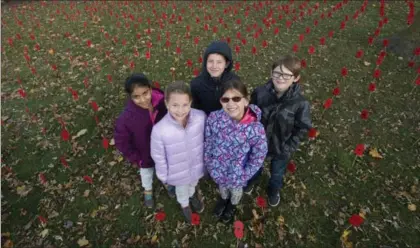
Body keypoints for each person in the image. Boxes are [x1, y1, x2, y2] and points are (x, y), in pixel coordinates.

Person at [249, 55, 312, 207]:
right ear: (271, 73)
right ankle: (250, 181)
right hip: (260, 143)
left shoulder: (300, 104)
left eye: (286, 75)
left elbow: (302, 128)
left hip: (281, 146)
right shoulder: (260, 93)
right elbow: (251, 114)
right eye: (277, 73)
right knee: (254, 165)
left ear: (295, 78)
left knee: (277, 172)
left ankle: (273, 190)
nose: (280, 78)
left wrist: (288, 147)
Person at [204, 78, 268, 224]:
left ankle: (232, 205)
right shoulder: (214, 118)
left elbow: (259, 154)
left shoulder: (255, 129)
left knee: (236, 192)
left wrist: (246, 173)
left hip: (238, 174)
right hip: (218, 169)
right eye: (225, 99)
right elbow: (208, 142)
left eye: (236, 98)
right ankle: (223, 199)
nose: (231, 103)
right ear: (221, 101)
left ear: (246, 100)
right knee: (223, 188)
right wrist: (209, 163)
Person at [114, 73, 173, 209]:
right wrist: (137, 159)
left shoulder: (162, 101)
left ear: (150, 88)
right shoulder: (127, 119)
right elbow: (121, 141)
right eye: (136, 97)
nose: (143, 99)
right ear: (130, 97)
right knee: (146, 173)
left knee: (163, 168)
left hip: (164, 149)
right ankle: (147, 189)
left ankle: (166, 182)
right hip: (144, 154)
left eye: (145, 93)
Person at [151, 81, 206, 223]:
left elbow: (207, 140)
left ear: (191, 102)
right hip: (177, 172)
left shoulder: (200, 118)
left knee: (193, 183)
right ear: (166, 103)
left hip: (196, 165)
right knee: (182, 191)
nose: (180, 110)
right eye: (175, 105)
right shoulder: (159, 130)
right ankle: (184, 204)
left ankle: (193, 194)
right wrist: (163, 175)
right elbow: (158, 156)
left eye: (185, 105)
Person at [190, 40, 240, 115]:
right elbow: (194, 109)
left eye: (219, 62)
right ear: (205, 62)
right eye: (210, 61)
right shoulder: (196, 84)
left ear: (226, 64)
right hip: (206, 121)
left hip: (228, 121)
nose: (214, 66)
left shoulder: (235, 81)